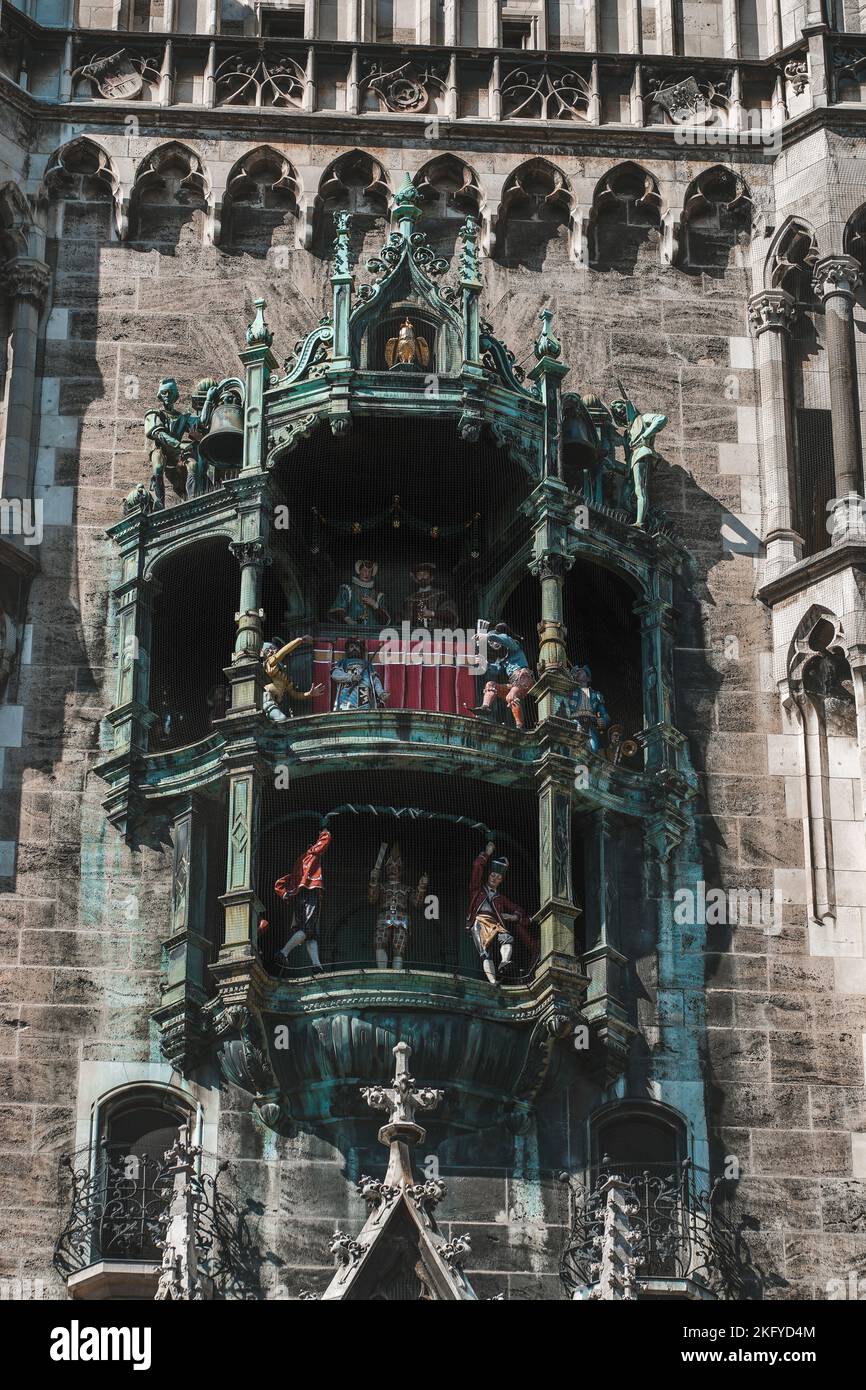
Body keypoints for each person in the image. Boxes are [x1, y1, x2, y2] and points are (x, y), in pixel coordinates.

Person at [465, 841, 530, 985]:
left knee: (507, 938)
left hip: (495, 923)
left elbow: (519, 909)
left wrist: (513, 916)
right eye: (493, 875)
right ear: (488, 875)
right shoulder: (477, 890)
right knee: (485, 952)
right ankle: (493, 980)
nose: (495, 879)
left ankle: (505, 961)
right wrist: (487, 854)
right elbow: (477, 867)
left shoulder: (500, 898)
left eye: (499, 878)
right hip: (480, 921)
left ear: (501, 881)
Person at [272, 827, 332, 973]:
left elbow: (279, 883)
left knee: (310, 934)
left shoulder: (298, 864)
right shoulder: (311, 855)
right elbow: (325, 841)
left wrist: (287, 893)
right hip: (310, 893)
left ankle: (316, 965)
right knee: (307, 929)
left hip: (299, 897)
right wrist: (325, 831)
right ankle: (284, 952)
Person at [610, 388, 668, 530]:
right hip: (633, 458)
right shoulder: (627, 433)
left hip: (642, 453)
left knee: (639, 489)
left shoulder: (641, 419)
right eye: (617, 411)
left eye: (621, 407)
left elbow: (661, 419)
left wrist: (645, 435)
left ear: (627, 407)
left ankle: (640, 522)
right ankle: (635, 517)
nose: (619, 411)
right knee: (625, 496)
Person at [367, 842, 429, 971]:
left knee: (399, 946)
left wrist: (421, 886)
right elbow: (372, 899)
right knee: (380, 941)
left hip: (401, 917)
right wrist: (373, 881)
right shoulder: (383, 886)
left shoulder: (406, 889)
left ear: (401, 870)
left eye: (397, 867)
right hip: (385, 915)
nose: (393, 870)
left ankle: (397, 973)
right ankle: (382, 972)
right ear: (387, 869)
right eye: (390, 867)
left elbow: (417, 902)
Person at [473, 622, 534, 729]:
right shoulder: (502, 660)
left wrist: (487, 636)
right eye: (491, 643)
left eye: (494, 641)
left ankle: (519, 726)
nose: (494, 644)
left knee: (511, 696)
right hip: (515, 683)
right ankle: (485, 707)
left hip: (524, 678)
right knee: (491, 685)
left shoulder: (514, 646)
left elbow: (505, 639)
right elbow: (495, 670)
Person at [260, 635, 324, 723]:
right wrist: (299, 640)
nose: (271, 651)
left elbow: (293, 694)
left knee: (284, 721)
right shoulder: (269, 664)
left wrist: (309, 694)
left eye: (273, 648)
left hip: (279, 704)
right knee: (282, 719)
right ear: (262, 654)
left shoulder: (284, 674)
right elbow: (283, 653)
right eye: (267, 650)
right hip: (267, 702)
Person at [331, 638, 388, 711]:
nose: (354, 649)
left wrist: (381, 693)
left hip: (364, 693)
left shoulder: (367, 663)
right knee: (347, 713)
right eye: (351, 647)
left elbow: (375, 679)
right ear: (347, 650)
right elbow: (335, 674)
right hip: (348, 693)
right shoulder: (343, 662)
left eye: (357, 647)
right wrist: (351, 677)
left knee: (364, 714)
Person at [329, 560, 390, 627]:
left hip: (372, 634)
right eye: (364, 570)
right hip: (351, 633)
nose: (367, 574)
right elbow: (338, 609)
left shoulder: (379, 596)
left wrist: (375, 606)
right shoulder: (347, 590)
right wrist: (348, 620)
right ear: (359, 571)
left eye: (369, 572)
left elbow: (385, 621)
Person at [566, 664, 610, 753]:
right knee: (574, 747)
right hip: (575, 722)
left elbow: (604, 714)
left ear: (588, 678)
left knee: (593, 748)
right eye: (577, 671)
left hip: (590, 725)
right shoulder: (570, 692)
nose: (579, 672)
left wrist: (603, 721)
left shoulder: (596, 695)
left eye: (582, 671)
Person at [403, 561, 458, 632]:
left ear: (431, 577)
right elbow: (403, 620)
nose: (422, 577)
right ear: (415, 579)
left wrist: (432, 613)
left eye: (425, 574)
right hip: (413, 637)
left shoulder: (441, 595)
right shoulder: (408, 600)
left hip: (437, 636)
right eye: (419, 574)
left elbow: (451, 616)